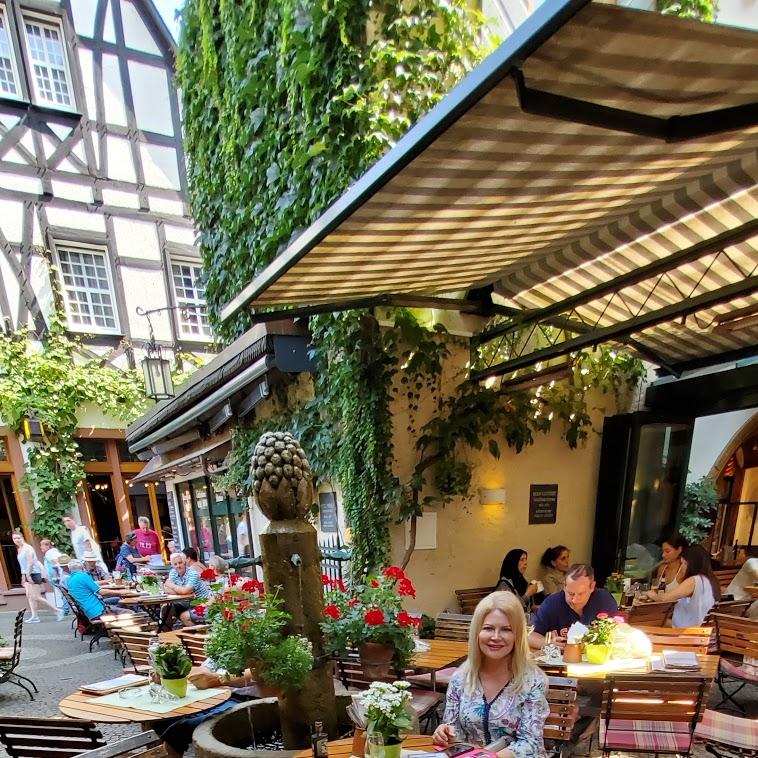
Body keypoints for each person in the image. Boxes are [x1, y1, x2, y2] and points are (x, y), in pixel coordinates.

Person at [432, 591, 549, 757]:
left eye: (506, 630)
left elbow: (531, 745)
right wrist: (443, 733)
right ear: (477, 633)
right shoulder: (461, 678)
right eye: (488, 628)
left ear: (518, 635)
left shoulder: (532, 681)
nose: (495, 637)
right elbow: (453, 732)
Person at [528, 564, 618, 650]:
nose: (574, 600)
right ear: (564, 586)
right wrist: (548, 643)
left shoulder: (604, 600)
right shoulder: (551, 604)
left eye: (581, 594)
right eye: (571, 593)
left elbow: (618, 632)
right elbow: (528, 635)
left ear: (592, 587)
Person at [645, 544, 720, 627]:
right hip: (699, 629)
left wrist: (651, 594)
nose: (682, 567)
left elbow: (664, 599)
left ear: (692, 564)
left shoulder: (694, 580)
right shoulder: (710, 580)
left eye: (683, 563)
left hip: (687, 631)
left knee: (648, 620)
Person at [13, 531, 59, 622]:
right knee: (29, 596)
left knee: (36, 596)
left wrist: (28, 575)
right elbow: (23, 565)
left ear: (22, 537)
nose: (17, 540)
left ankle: (57, 610)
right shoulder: (19, 549)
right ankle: (35, 616)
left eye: (18, 538)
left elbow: (30, 562)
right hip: (26, 573)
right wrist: (23, 577)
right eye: (14, 538)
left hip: (33, 573)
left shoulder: (28, 548)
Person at [164, 552, 212, 626]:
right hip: (185, 603)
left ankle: (199, 635)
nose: (178, 566)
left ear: (185, 563)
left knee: (183, 616)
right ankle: (165, 633)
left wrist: (171, 585)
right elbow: (166, 589)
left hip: (201, 604)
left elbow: (185, 590)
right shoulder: (173, 573)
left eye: (180, 563)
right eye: (175, 564)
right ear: (172, 565)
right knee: (166, 609)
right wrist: (182, 591)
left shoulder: (193, 574)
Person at [39, 538, 69, 619]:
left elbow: (56, 564)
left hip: (59, 577)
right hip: (59, 576)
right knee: (64, 592)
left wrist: (56, 576)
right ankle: (65, 608)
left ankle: (65, 610)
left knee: (64, 592)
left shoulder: (50, 553)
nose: (40, 547)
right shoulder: (51, 553)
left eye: (42, 545)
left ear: (48, 546)